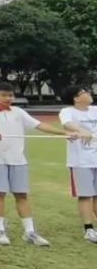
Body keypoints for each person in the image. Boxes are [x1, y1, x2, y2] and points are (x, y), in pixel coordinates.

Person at [0, 82, 69, 247]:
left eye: (11, 95)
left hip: (18, 159)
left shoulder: (18, 112)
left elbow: (39, 125)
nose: (9, 98)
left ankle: (29, 232)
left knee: (22, 195)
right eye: (4, 95)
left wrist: (65, 133)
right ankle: (0, 229)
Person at [57, 85, 97, 243]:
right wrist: (81, 130)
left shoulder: (95, 110)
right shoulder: (68, 112)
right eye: (85, 92)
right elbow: (67, 124)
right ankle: (88, 229)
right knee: (86, 195)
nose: (89, 94)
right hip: (81, 161)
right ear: (76, 98)